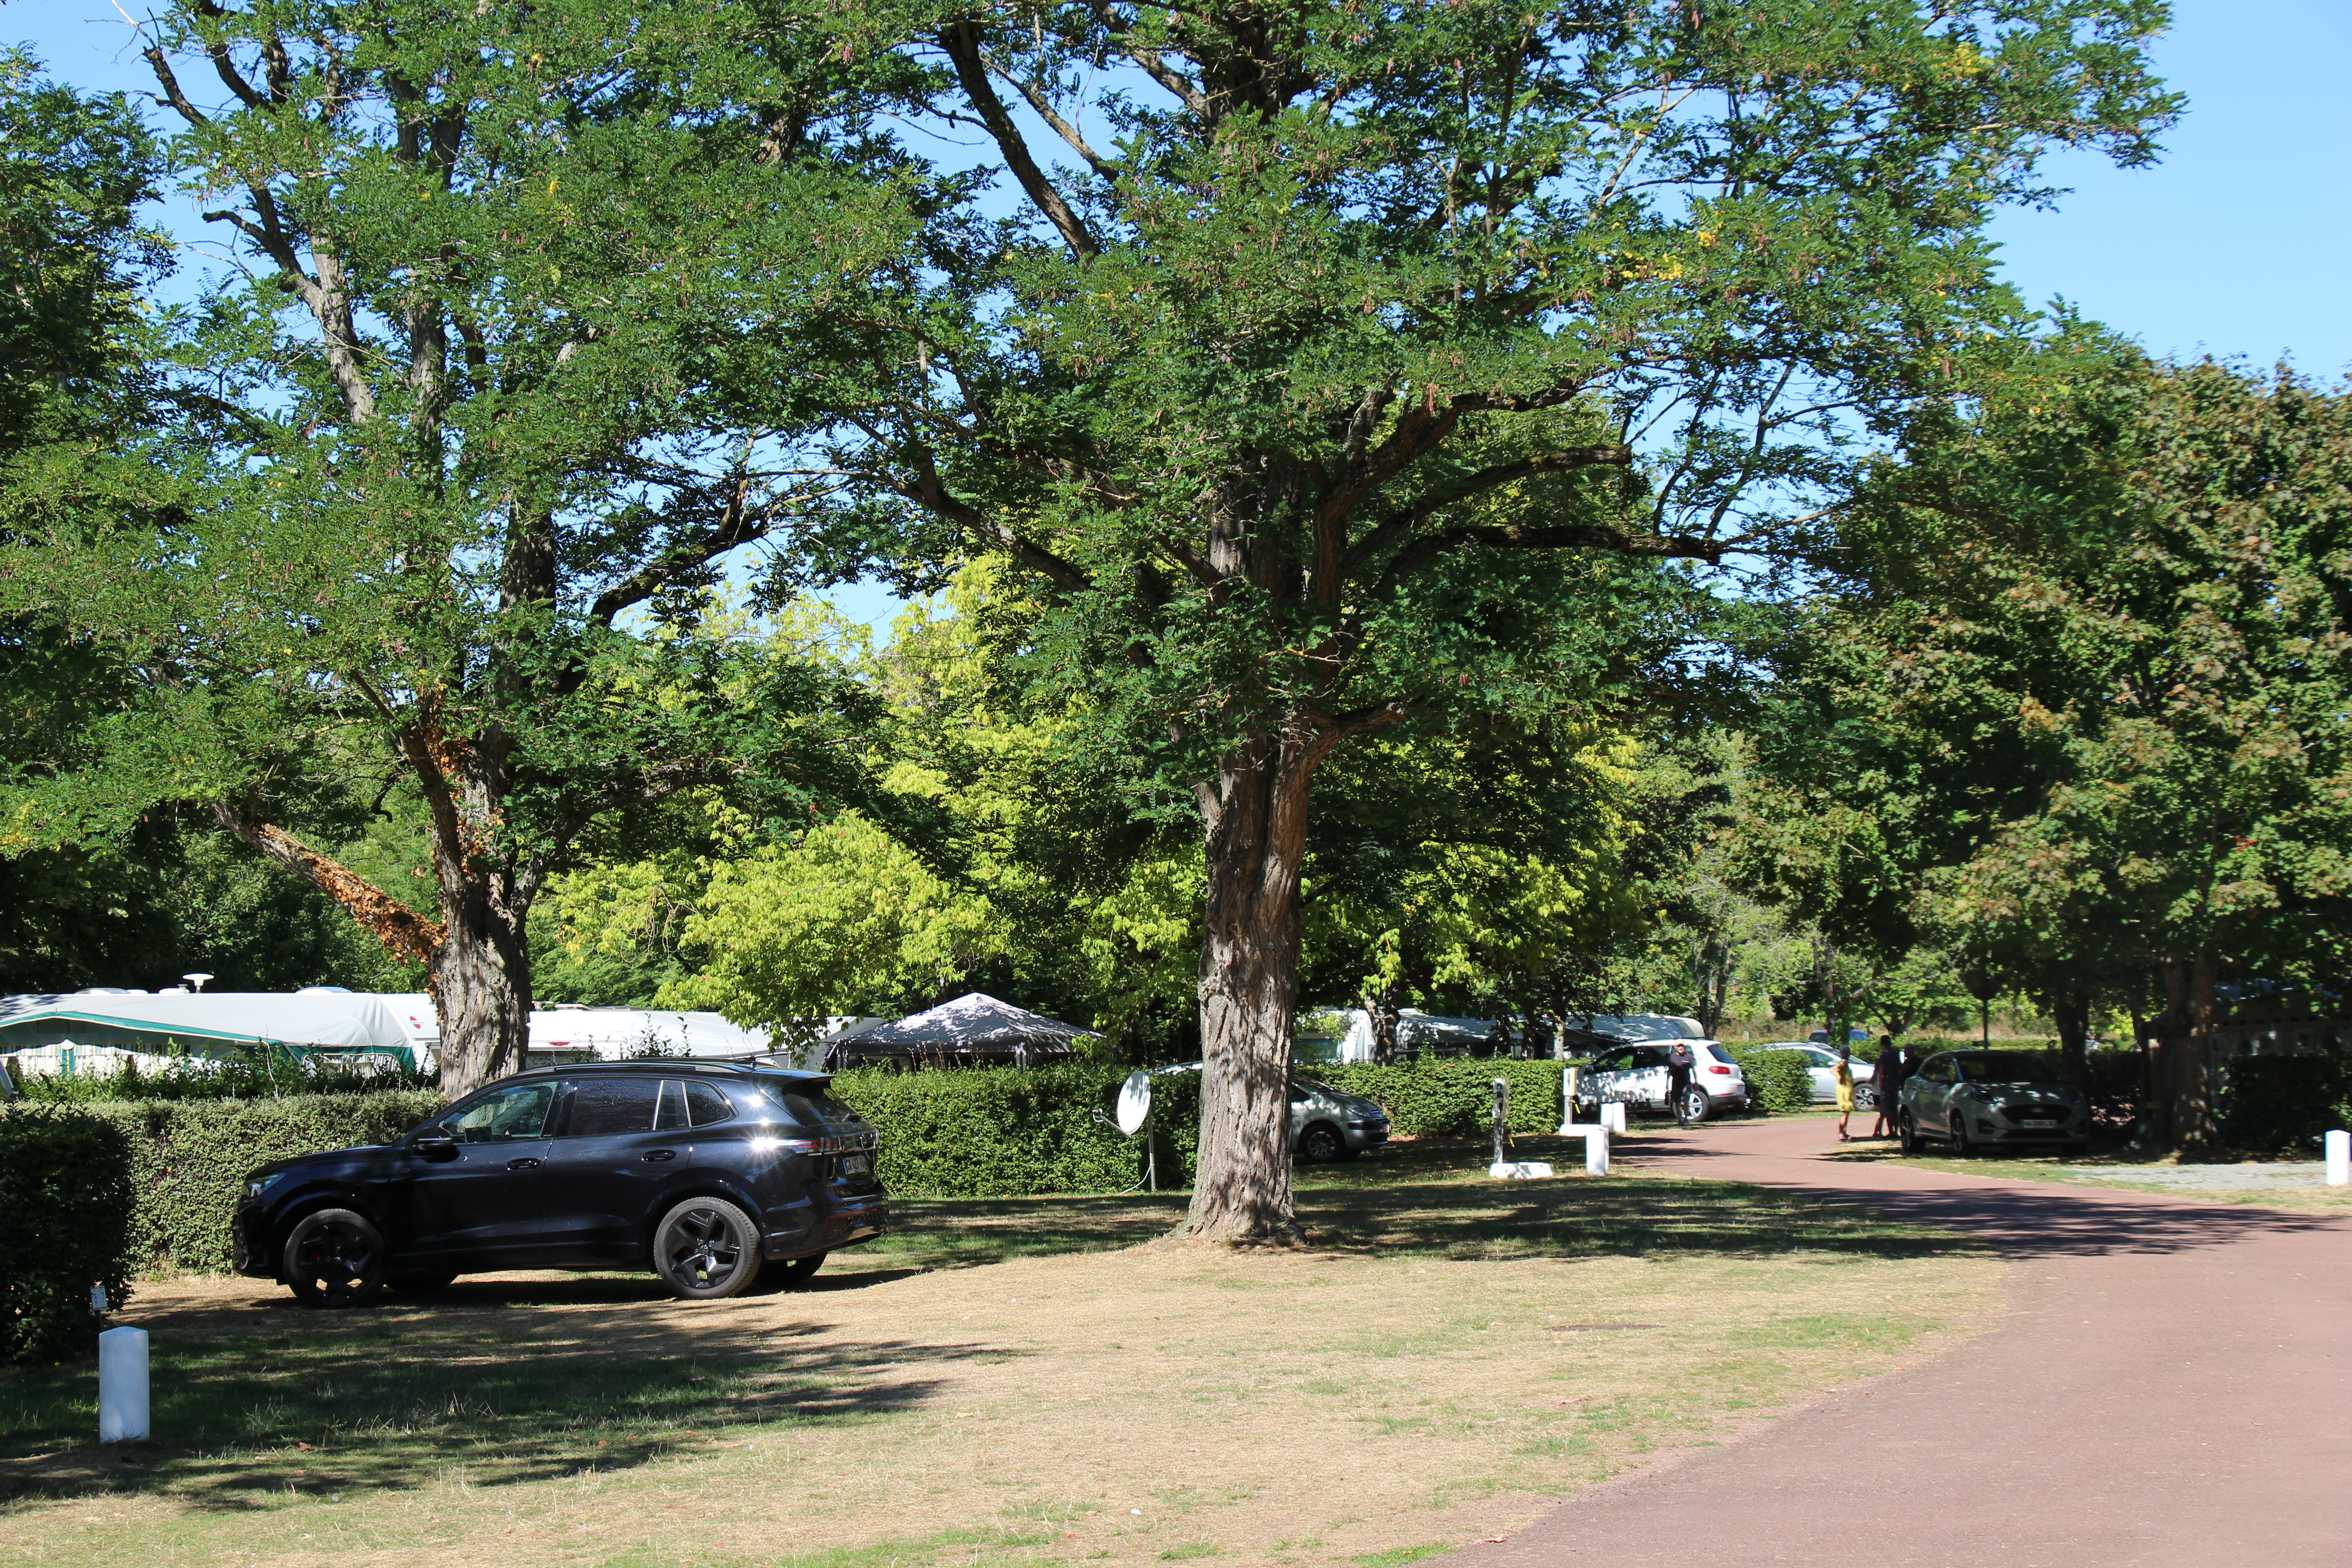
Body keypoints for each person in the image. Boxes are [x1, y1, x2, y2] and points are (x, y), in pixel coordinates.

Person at [1868, 1033, 1903, 1139]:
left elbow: (1882, 1074)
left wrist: (1882, 1089)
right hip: (1895, 1084)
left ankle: (1891, 1131)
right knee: (1895, 1109)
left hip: (1887, 1085)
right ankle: (1897, 1131)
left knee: (1888, 1111)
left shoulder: (1884, 1056)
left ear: (1882, 1044)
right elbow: (1900, 1069)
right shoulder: (1896, 1054)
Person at [1666, 1039, 1695, 1126]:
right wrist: (1667, 1083)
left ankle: (1686, 1118)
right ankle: (1680, 1120)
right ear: (1676, 1047)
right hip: (1676, 1083)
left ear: (1685, 1047)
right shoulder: (1672, 1057)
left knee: (1685, 1100)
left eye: (1682, 1046)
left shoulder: (1689, 1057)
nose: (1681, 1048)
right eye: (1679, 1046)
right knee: (1677, 1102)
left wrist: (1696, 1083)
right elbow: (1670, 1071)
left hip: (1686, 1082)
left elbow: (1694, 1070)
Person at [1833, 1048, 1856, 1141]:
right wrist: (1841, 1077)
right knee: (1845, 1113)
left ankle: (1844, 1132)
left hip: (1844, 1090)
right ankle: (1841, 1133)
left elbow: (1833, 1070)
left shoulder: (1841, 1062)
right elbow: (1839, 1069)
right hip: (1845, 1091)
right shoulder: (1844, 1063)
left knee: (1847, 1113)